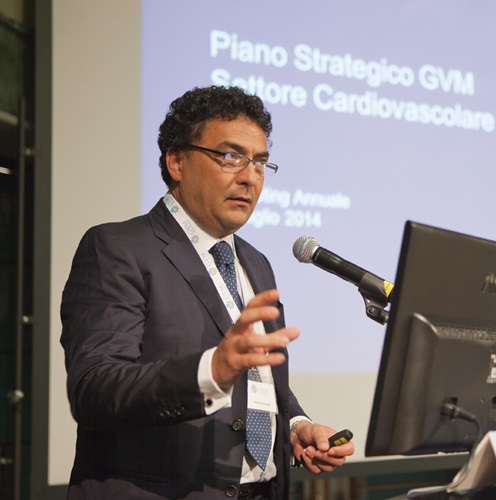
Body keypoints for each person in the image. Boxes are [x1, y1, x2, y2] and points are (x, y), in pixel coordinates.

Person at [60, 85, 355, 499]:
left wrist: (294, 425)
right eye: (231, 156)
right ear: (177, 161)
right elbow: (95, 388)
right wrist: (210, 372)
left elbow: (254, 374)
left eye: (260, 163)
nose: (249, 177)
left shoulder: (255, 263)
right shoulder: (117, 248)